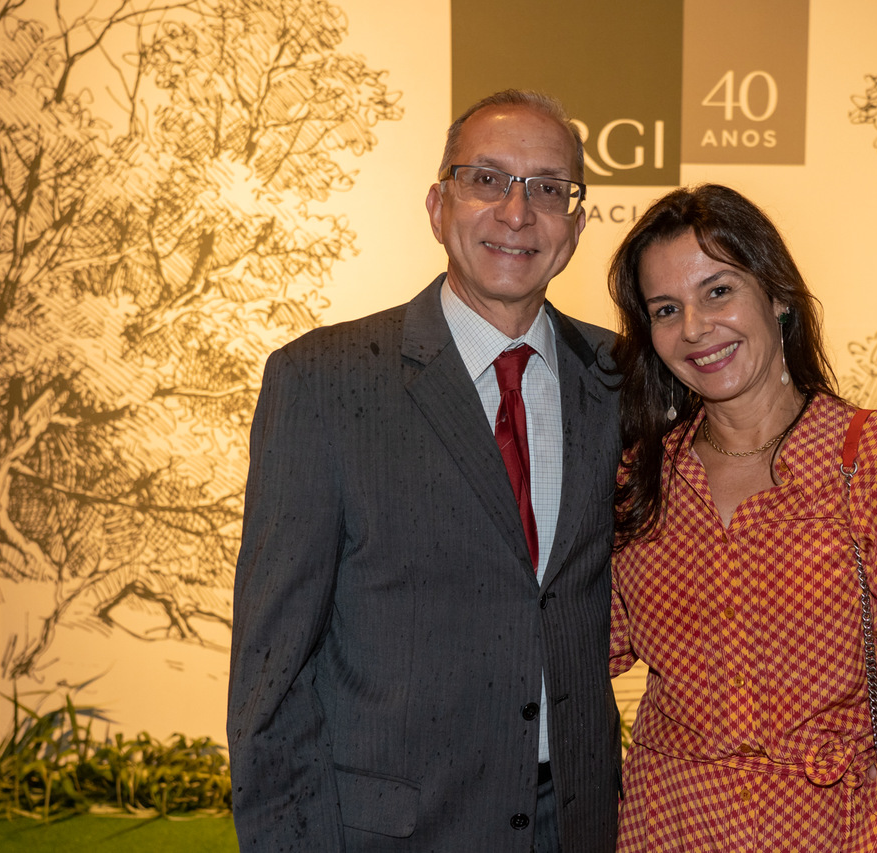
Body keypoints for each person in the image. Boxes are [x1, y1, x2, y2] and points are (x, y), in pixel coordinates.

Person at [228, 89, 622, 853]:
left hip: (573, 824)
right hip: (394, 832)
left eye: (548, 188)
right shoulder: (322, 381)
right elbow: (270, 675)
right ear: (438, 205)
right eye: (487, 179)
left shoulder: (617, 379)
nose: (517, 212)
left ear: (575, 226)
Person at [607, 184, 877, 851]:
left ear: (778, 296)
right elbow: (583, 644)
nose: (695, 327)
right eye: (667, 308)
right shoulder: (643, 476)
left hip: (833, 828)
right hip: (664, 824)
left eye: (718, 290)